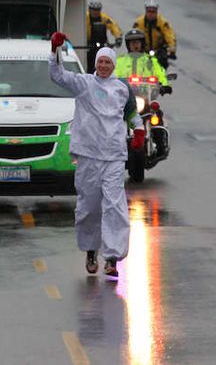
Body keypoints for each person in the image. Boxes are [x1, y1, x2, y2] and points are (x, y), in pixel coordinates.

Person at [48, 34, 139, 277]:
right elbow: (57, 75)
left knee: (114, 206)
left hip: (114, 156)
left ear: (113, 65)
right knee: (89, 206)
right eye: (101, 62)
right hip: (88, 155)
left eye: (108, 63)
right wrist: (55, 50)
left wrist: (138, 130)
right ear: (96, 64)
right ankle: (91, 249)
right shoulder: (84, 84)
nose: (104, 66)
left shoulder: (123, 88)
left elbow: (132, 114)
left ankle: (112, 258)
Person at [133, 0, 176, 69]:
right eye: (149, 11)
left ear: (156, 12)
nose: (151, 14)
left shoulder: (163, 23)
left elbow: (170, 35)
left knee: (162, 64)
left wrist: (172, 49)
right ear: (145, 11)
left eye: (153, 12)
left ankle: (161, 79)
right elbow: (133, 36)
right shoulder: (138, 23)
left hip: (159, 50)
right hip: (143, 49)